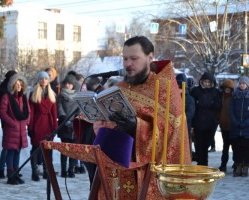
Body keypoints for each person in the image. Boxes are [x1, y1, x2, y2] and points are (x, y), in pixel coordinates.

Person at [92, 36, 191, 199]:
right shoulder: (119, 88)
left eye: (134, 58)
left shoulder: (165, 89)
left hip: (149, 173)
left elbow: (173, 133)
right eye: (125, 58)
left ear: (150, 57)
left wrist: (136, 126)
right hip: (117, 170)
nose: (127, 64)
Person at [0, 73, 30, 185]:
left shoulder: (23, 97)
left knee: (17, 152)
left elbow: (28, 112)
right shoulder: (7, 96)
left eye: (20, 83)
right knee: (10, 153)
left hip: (21, 130)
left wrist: (26, 122)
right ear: (12, 85)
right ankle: (10, 176)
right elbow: (2, 111)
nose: (18, 86)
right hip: (11, 129)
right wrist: (12, 123)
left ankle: (16, 174)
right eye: (16, 83)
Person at [28, 71, 58, 181]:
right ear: (39, 80)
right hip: (37, 123)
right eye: (42, 78)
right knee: (36, 148)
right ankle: (34, 172)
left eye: (46, 78)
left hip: (49, 124)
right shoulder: (33, 93)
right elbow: (30, 112)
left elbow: (54, 113)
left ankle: (47, 171)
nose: (44, 80)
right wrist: (30, 127)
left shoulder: (52, 94)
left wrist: (55, 127)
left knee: (48, 149)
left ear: (48, 80)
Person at [191, 72, 222, 166]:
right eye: (205, 82)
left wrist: (208, 104)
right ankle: (200, 163)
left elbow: (219, 106)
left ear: (212, 82)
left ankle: (205, 162)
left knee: (207, 143)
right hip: (198, 122)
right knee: (199, 145)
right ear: (202, 81)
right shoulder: (196, 91)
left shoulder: (216, 92)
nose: (207, 84)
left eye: (209, 82)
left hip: (210, 122)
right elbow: (193, 105)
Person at [56, 74, 80, 178]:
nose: (68, 85)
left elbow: (79, 110)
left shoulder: (78, 96)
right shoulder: (60, 96)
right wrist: (65, 119)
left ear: (73, 85)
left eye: (70, 84)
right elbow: (59, 108)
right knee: (65, 149)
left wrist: (74, 120)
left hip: (74, 125)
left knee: (73, 149)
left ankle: (71, 169)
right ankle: (63, 170)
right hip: (64, 124)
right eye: (66, 83)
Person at [0, 70, 17, 179]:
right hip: (7, 121)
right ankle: (2, 169)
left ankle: (11, 168)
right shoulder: (4, 90)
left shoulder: (11, 89)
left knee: (10, 146)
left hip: (13, 121)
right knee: (8, 146)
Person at [229, 76, 249, 177]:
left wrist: (245, 123)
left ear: (247, 85)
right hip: (236, 128)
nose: (242, 85)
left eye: (244, 83)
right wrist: (236, 122)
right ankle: (237, 166)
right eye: (240, 83)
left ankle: (245, 166)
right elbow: (231, 111)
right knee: (236, 149)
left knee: (246, 149)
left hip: (246, 129)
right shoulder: (234, 96)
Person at [176, 73, 195, 159]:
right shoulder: (172, 97)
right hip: (173, 128)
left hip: (184, 127)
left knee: (184, 151)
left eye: (180, 86)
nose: (179, 88)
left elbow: (189, 114)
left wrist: (178, 119)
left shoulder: (189, 99)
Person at [218, 79, 234, 172]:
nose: (227, 90)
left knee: (235, 147)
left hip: (233, 126)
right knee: (225, 147)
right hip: (224, 126)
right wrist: (218, 119)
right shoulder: (221, 97)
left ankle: (236, 163)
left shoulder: (234, 97)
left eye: (229, 88)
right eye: (225, 88)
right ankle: (223, 164)